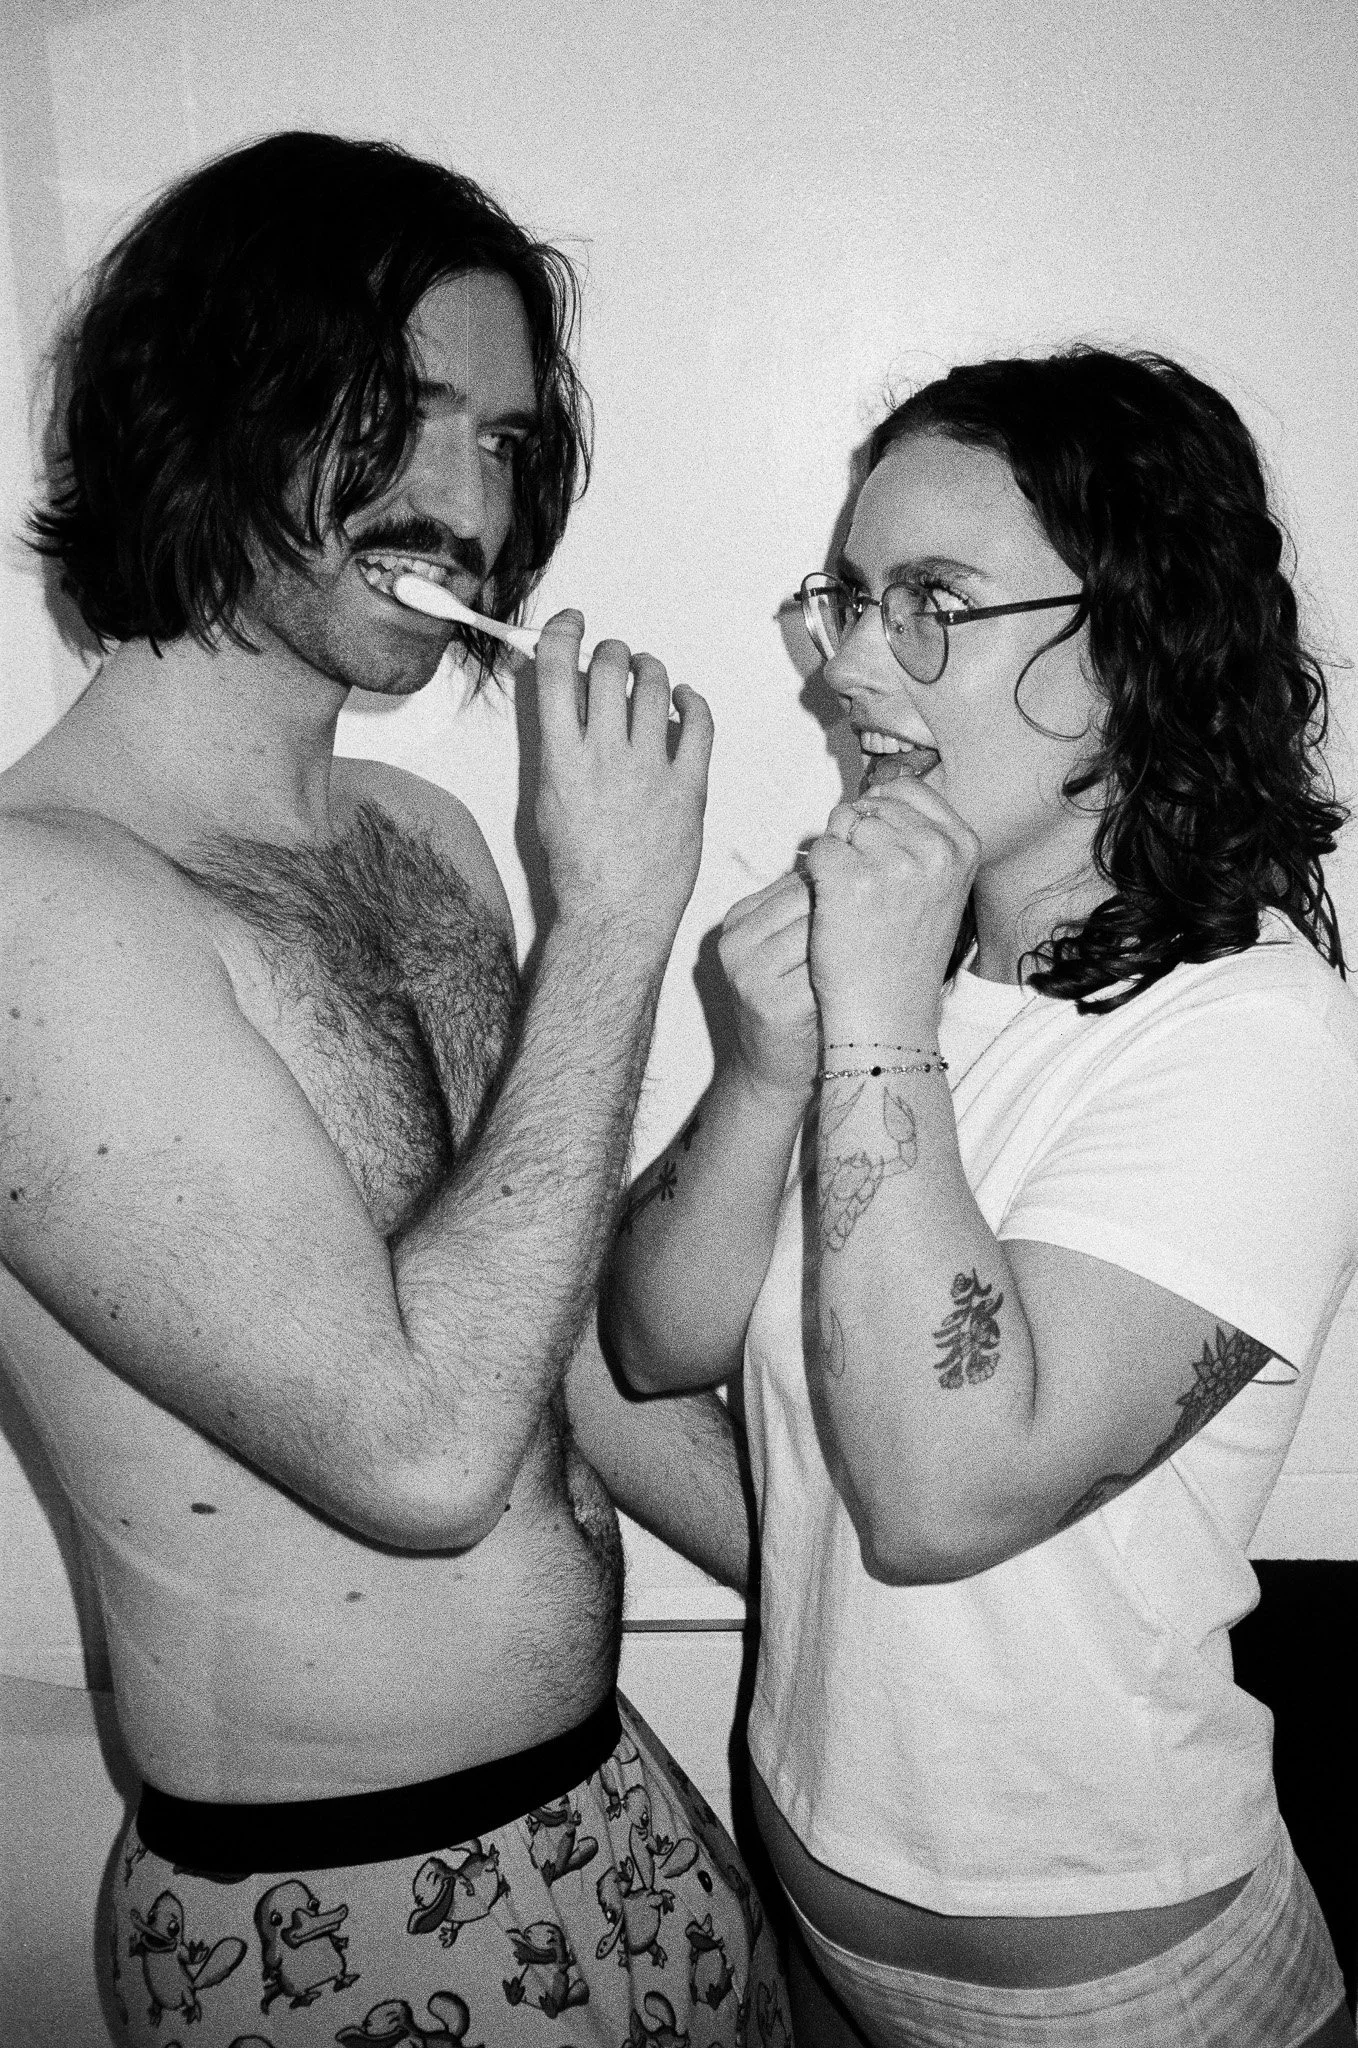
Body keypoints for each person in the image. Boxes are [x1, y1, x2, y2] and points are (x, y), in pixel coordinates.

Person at [0, 131, 790, 2048]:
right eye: (400, 414)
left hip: (620, 1814)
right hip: (338, 1918)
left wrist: (872, 1607)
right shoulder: (38, 906)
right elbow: (421, 1457)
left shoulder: (421, 835)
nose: (468, 504)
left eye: (505, 441)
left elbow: (549, 1354)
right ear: (204, 404)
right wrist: (614, 925)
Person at [605, 346, 1358, 2047]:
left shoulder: (1257, 1039)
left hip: (1116, 1987)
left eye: (932, 602)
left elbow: (942, 1500)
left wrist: (871, 1018)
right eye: (850, 600)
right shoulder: (912, 979)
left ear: (1134, 644)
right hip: (812, 1894)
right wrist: (765, 1070)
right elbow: (650, 1346)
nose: (847, 668)